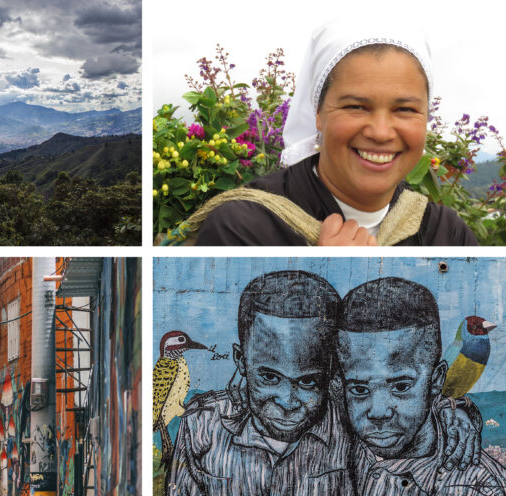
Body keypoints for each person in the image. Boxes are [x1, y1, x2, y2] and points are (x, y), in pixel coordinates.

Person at [166, 271, 480, 495]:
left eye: (307, 382)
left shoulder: (350, 417)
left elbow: (405, 414)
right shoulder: (203, 424)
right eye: (269, 377)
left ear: (332, 373)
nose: (287, 402)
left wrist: (452, 412)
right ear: (240, 362)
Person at [195, 18, 477, 246]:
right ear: (318, 113)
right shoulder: (244, 229)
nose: (380, 133)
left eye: (404, 109)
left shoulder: (447, 234)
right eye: (356, 106)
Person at [336, 278, 506, 495]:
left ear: (437, 380)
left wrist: (454, 409)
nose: (379, 412)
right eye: (360, 390)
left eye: (401, 386)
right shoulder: (336, 442)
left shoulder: (478, 487)